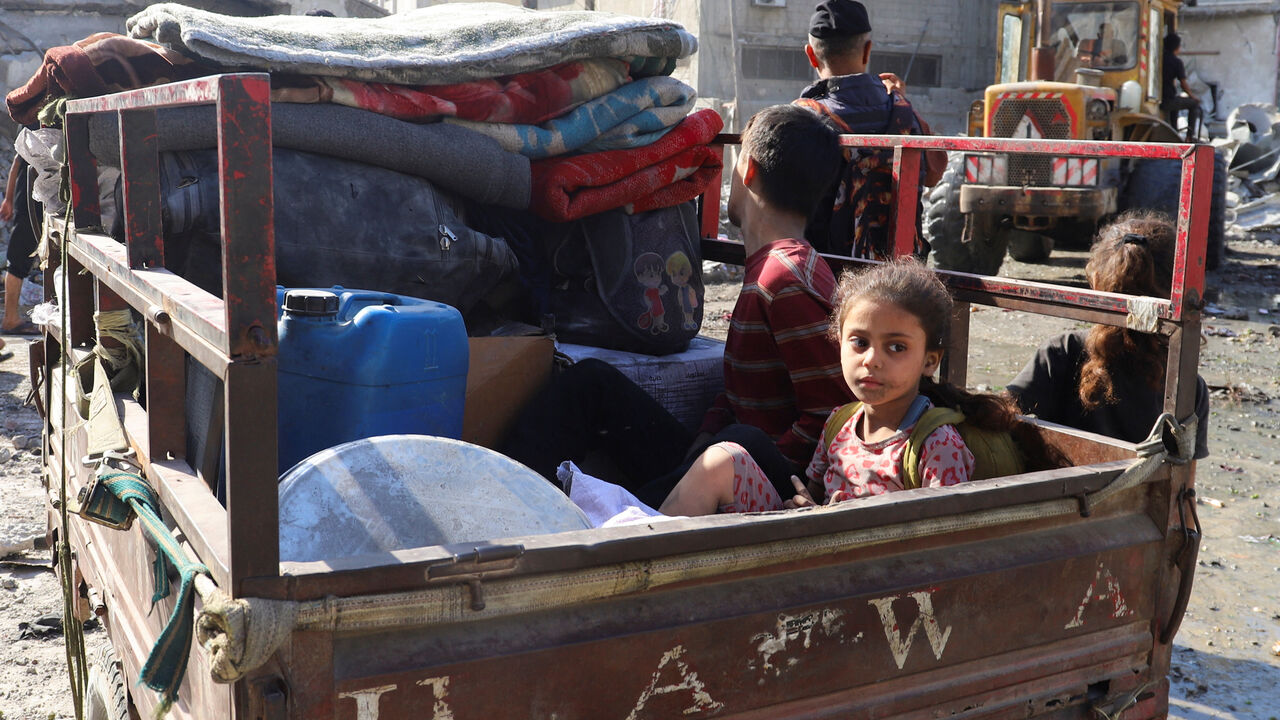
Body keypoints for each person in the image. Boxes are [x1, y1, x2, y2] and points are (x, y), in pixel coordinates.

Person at [502, 104, 852, 507]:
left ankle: (604, 518)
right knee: (590, 384)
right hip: (731, 459)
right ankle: (512, 496)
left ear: (748, 170)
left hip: (765, 480)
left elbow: (832, 414)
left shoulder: (784, 278)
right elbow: (742, 393)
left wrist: (724, 458)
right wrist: (703, 441)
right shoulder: (775, 267)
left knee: (741, 440)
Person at [661, 258, 1065, 516]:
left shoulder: (934, 444)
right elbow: (816, 496)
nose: (872, 359)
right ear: (839, 343)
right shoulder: (839, 424)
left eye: (896, 347)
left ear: (930, 360)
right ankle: (635, 568)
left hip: (871, 588)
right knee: (723, 459)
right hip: (818, 551)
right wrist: (806, 506)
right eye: (860, 342)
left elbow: (941, 546)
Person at [1007, 211, 1210, 460]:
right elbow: (1184, 492)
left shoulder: (1063, 352)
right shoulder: (1188, 385)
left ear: (1096, 280)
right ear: (1174, 292)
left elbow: (1001, 420)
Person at [795, 0, 946, 261]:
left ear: (810, 55)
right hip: (902, 282)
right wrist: (904, 105)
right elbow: (935, 173)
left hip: (826, 281)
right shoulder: (904, 114)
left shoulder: (800, 121)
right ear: (867, 51)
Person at [1, 154, 41, 361]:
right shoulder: (34, 123)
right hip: (29, 205)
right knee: (17, 263)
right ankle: (10, 318)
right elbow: (16, 160)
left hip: (32, 202)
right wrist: (8, 199)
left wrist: (8, 199)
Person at [1161, 33, 1202, 141]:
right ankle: (1190, 136)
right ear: (1177, 47)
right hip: (1168, 100)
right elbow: (1183, 84)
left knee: (1176, 104)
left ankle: (1174, 130)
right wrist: (1193, 97)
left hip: (1159, 98)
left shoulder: (1159, 60)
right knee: (1193, 105)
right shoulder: (1176, 62)